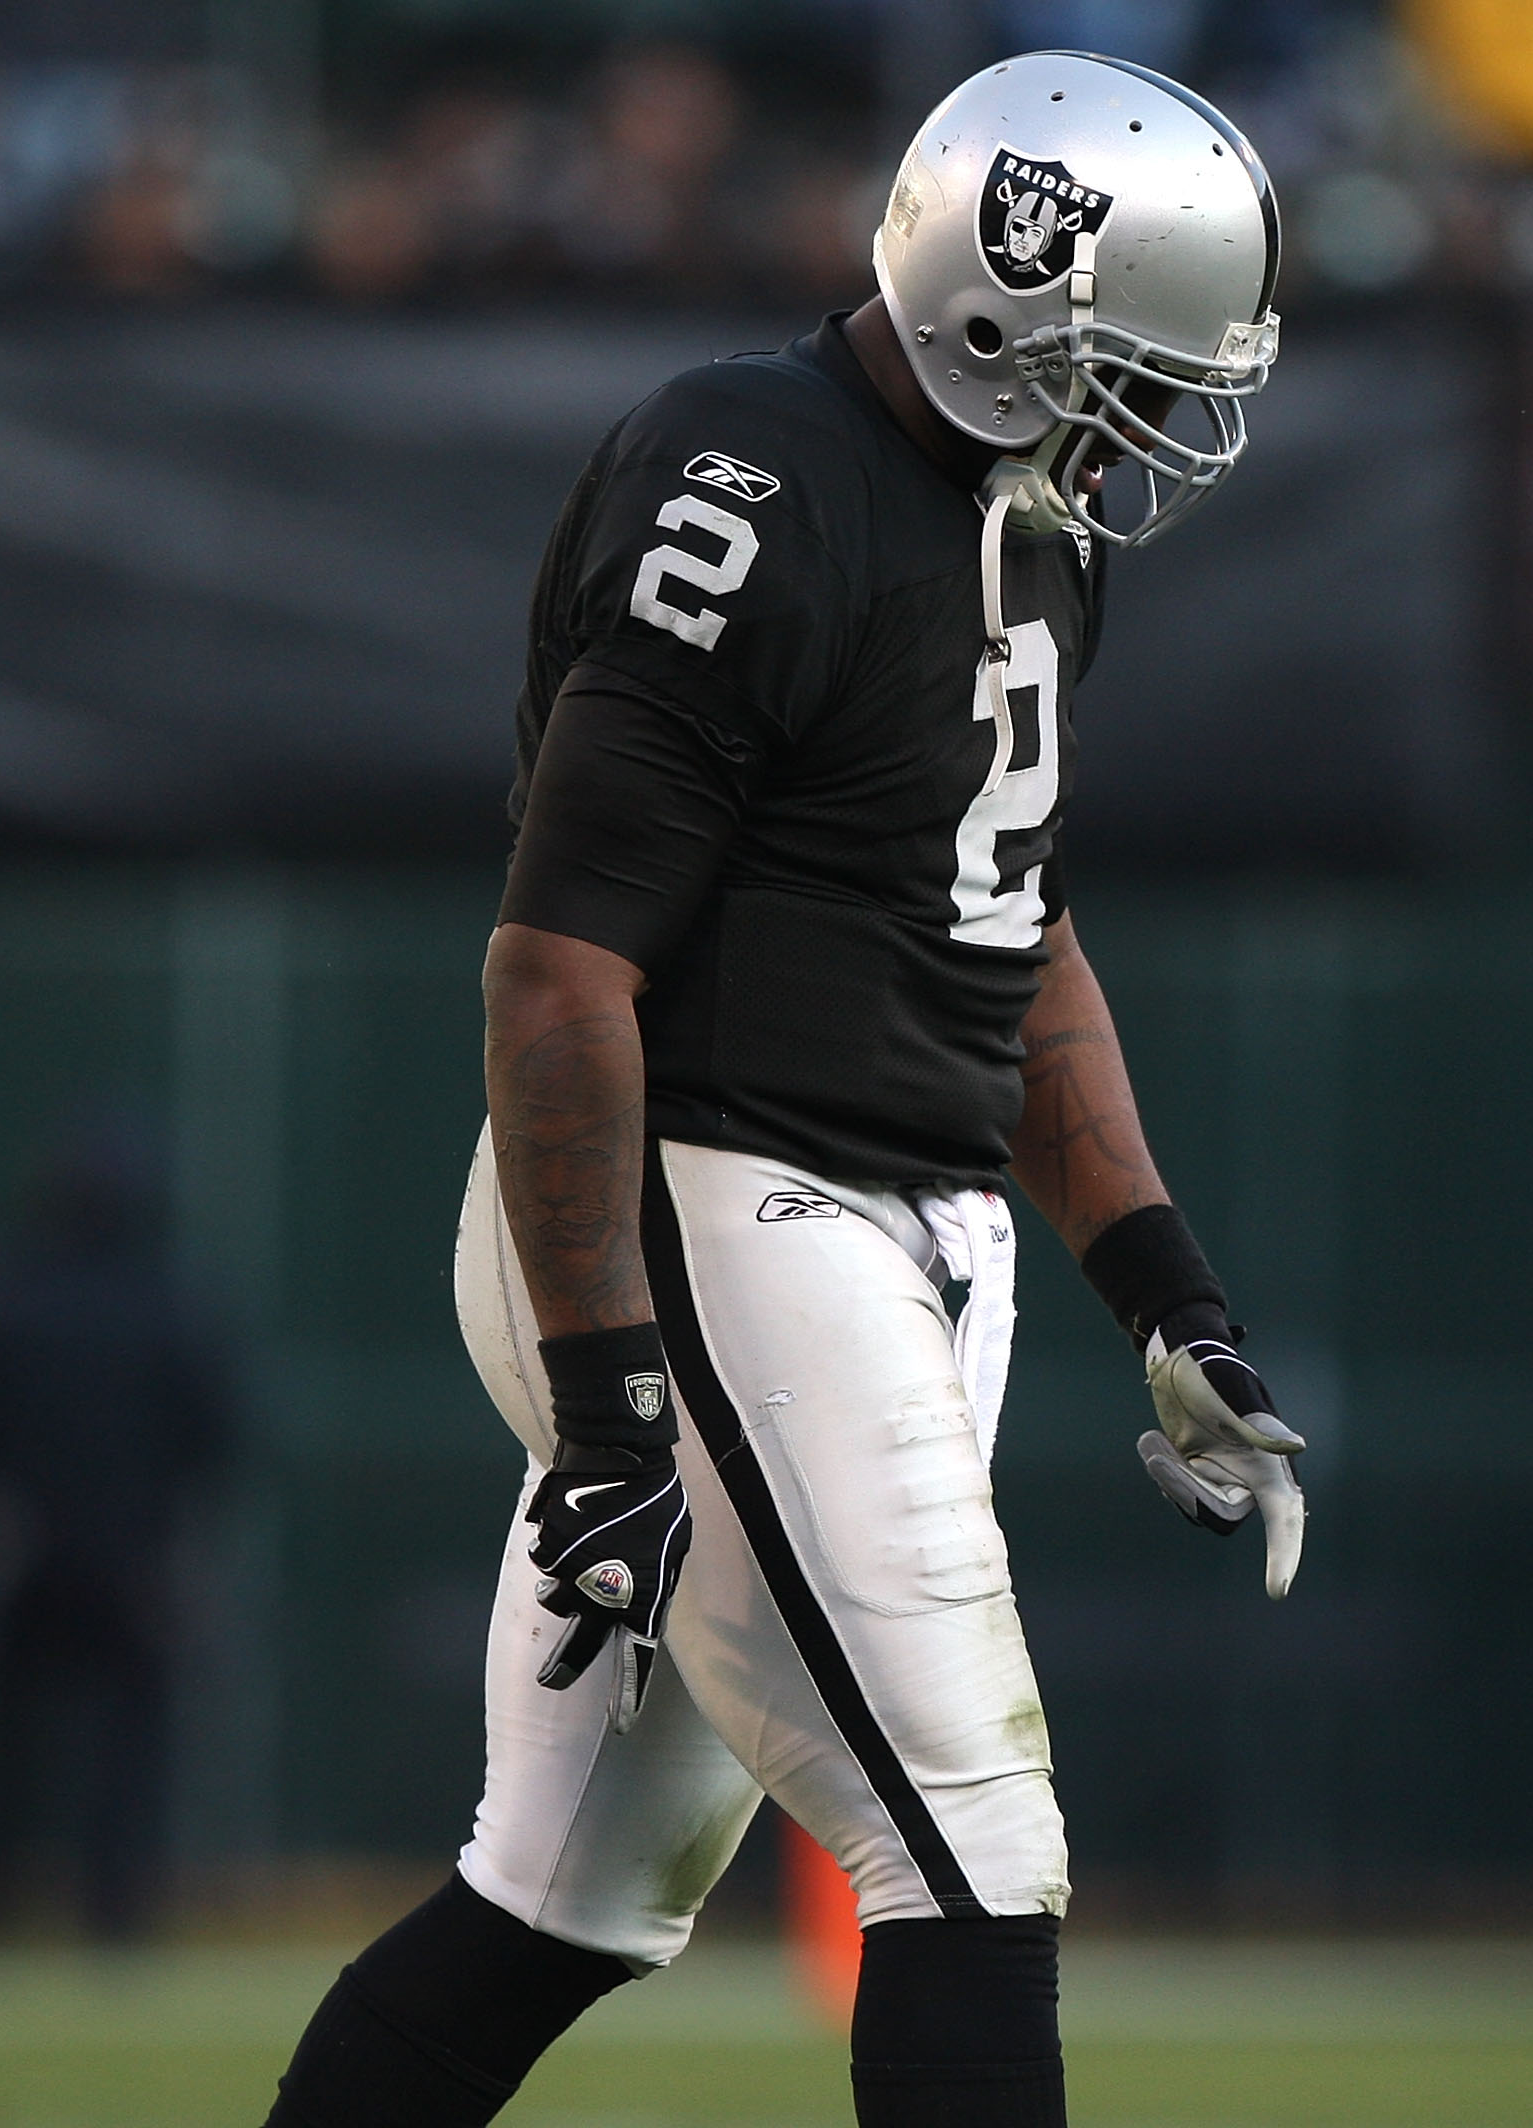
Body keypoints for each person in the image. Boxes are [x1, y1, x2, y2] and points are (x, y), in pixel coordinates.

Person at [263, 53, 1297, 2128]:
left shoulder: (1035, 524)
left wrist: (1167, 1287)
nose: (1158, 421)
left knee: (560, 1892)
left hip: (903, 1228)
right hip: (725, 1199)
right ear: (1000, 298)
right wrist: (611, 1395)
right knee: (971, 1850)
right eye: (1126, 363)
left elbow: (1011, 936)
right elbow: (561, 966)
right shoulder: (745, 473)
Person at [0, 1114, 233, 1944]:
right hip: (133, 1554)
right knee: (129, 1739)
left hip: (16, 1546)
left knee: (4, 1738)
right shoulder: (168, 1302)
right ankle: (116, 1915)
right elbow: (218, 1428)